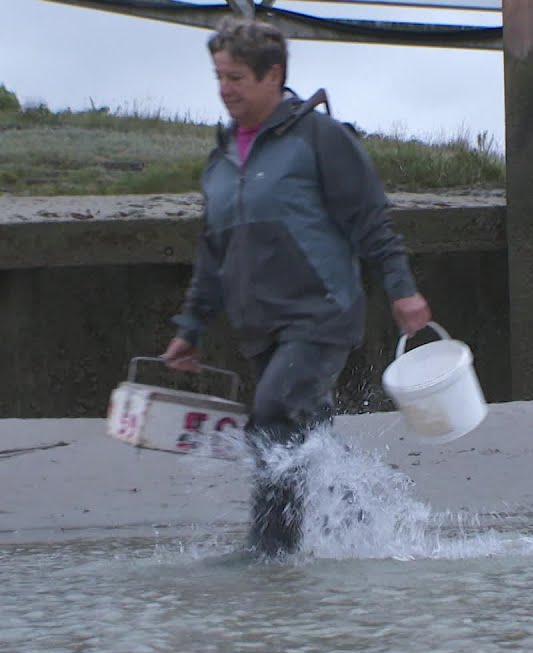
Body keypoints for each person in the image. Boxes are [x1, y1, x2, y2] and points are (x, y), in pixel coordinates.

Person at [161, 17, 432, 556]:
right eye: (219, 76)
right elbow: (212, 254)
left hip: (321, 313)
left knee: (274, 417)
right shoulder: (220, 161)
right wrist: (191, 327)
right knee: (307, 437)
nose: (225, 89)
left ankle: (270, 549)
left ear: (273, 75)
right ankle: (370, 529)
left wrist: (402, 289)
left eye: (236, 77)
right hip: (259, 323)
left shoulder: (319, 138)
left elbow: (371, 220)